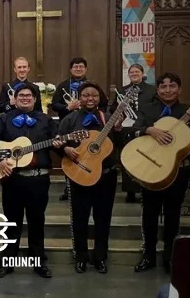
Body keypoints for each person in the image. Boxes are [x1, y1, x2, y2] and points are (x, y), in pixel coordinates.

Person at [128, 72, 190, 274]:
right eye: (163, 87)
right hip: (150, 168)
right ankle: (148, 255)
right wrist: (149, 130)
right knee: (148, 215)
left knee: (173, 215)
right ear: (157, 89)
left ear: (180, 89)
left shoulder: (189, 110)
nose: (168, 90)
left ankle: (170, 257)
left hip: (178, 171)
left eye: (172, 86)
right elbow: (131, 131)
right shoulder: (147, 109)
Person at [0, 84, 59, 279]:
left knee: (37, 221)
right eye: (22, 95)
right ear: (15, 99)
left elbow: (57, 141)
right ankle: (7, 262)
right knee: (11, 222)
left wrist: (61, 143)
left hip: (38, 179)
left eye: (29, 95)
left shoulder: (46, 120)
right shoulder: (4, 118)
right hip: (13, 179)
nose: (25, 98)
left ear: (35, 99)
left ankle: (38, 262)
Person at [57, 82, 126, 274]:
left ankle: (100, 257)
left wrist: (119, 130)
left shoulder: (109, 118)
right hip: (79, 174)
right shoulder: (69, 120)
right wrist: (65, 148)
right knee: (79, 218)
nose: (90, 99)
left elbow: (120, 144)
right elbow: (57, 141)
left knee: (103, 218)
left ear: (99, 97)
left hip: (106, 176)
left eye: (94, 95)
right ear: (79, 98)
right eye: (86, 95)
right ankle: (80, 256)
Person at [53, 57, 107, 201]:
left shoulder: (93, 85)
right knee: (73, 156)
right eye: (75, 67)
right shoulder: (63, 85)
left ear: (86, 69)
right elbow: (54, 105)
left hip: (94, 124)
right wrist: (68, 108)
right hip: (70, 122)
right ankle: (69, 186)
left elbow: (104, 102)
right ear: (71, 69)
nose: (78, 69)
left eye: (81, 67)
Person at [111, 64, 156, 203]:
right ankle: (130, 191)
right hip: (127, 128)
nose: (134, 74)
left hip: (145, 128)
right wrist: (119, 110)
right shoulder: (121, 90)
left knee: (144, 159)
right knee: (128, 158)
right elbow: (113, 107)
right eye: (131, 72)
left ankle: (145, 189)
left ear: (143, 73)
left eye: (137, 71)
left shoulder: (152, 90)